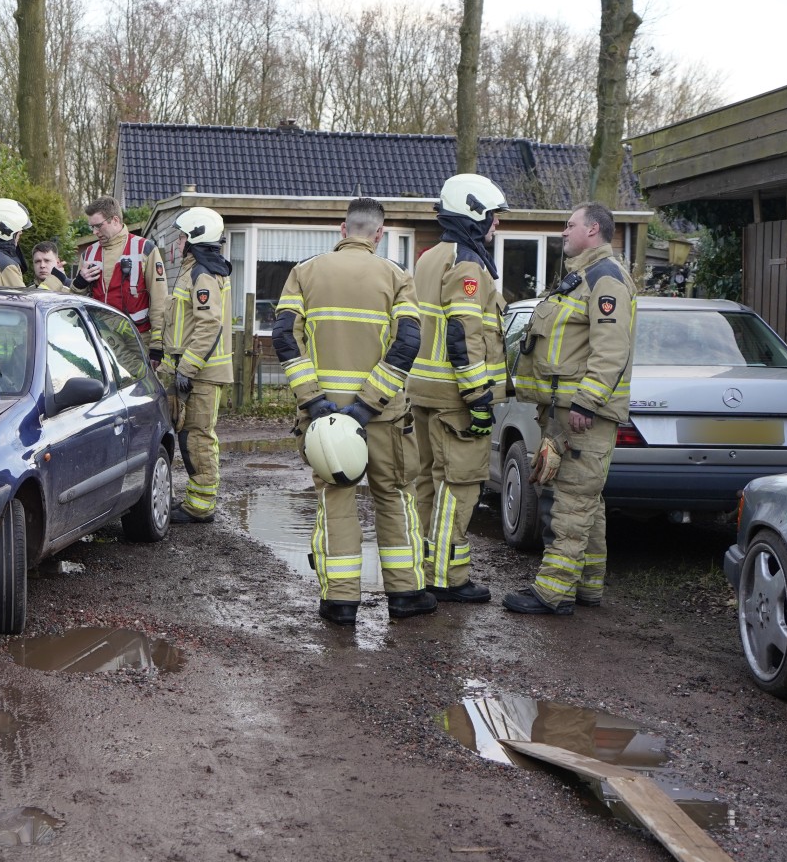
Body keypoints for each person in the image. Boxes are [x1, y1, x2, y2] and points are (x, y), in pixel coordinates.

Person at [273, 197, 429, 624]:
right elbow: (408, 344)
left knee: (335, 498)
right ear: (379, 234)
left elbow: (285, 337)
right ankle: (406, 595)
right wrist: (368, 404)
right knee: (394, 496)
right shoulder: (398, 277)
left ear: (342, 230)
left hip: (323, 418)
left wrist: (313, 399)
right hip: (384, 418)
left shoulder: (304, 273)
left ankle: (340, 601)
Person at [503, 202, 637, 615]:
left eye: (570, 224)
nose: (563, 231)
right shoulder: (581, 279)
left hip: (583, 416)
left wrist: (587, 401)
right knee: (585, 500)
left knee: (572, 503)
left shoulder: (606, 279)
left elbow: (611, 350)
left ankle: (552, 593)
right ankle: (588, 586)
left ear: (593, 229)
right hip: (564, 412)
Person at [407, 174, 510, 606]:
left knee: (427, 483)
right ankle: (448, 577)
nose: (496, 226)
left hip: (426, 392)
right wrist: (479, 398)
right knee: (460, 484)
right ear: (472, 214)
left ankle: (422, 566)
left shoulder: (430, 257)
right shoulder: (468, 264)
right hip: (456, 398)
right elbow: (462, 334)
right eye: (492, 217)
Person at [160, 207, 233, 523]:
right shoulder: (195, 270)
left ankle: (201, 507)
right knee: (190, 437)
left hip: (200, 375)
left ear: (193, 239)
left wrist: (187, 369)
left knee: (198, 438)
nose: (177, 242)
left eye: (181, 236)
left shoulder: (202, 274)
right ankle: (195, 501)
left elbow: (208, 325)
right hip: (191, 372)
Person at [74, 196, 169, 357]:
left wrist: (157, 344)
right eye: (92, 227)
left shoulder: (145, 249)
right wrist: (79, 283)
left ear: (115, 220)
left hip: (137, 340)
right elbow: (76, 300)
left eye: (98, 226)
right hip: (100, 338)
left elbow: (160, 300)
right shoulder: (88, 253)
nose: (94, 232)